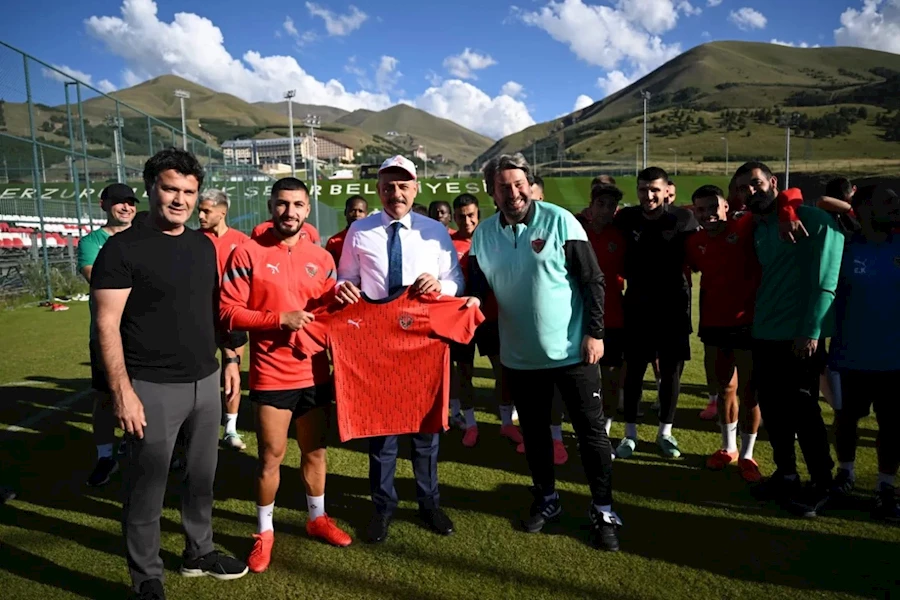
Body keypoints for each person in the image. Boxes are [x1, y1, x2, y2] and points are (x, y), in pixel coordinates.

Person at [92, 148, 247, 600]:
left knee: (201, 478)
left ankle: (199, 552)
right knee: (148, 486)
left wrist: (231, 359)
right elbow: (106, 325)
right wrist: (122, 392)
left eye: (189, 192)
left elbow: (210, 310)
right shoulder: (122, 249)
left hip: (205, 381)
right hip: (151, 386)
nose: (180, 200)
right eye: (170, 189)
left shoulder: (202, 245)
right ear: (150, 189)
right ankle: (146, 577)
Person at [468, 153, 621, 551]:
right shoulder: (483, 235)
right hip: (520, 358)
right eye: (503, 187)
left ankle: (603, 508)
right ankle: (548, 498)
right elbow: (476, 289)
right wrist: (468, 305)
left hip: (573, 353)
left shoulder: (560, 220)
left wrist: (595, 333)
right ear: (491, 192)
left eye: (519, 184)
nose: (513, 193)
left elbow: (593, 280)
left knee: (590, 435)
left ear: (530, 185)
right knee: (535, 435)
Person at [220, 177, 352, 573]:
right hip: (272, 374)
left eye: (297, 204)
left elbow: (329, 313)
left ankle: (317, 518)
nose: (289, 211)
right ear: (271, 206)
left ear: (307, 209)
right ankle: (264, 532)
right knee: (270, 458)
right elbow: (228, 311)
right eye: (282, 203)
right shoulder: (247, 252)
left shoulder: (322, 258)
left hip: (316, 372)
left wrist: (342, 298)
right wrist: (279, 319)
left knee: (316, 452)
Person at [334, 155, 464, 543]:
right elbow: (345, 277)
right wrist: (344, 287)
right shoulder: (360, 230)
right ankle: (382, 508)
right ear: (379, 190)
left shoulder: (434, 231)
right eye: (389, 186)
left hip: (422, 343)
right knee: (382, 435)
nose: (396, 193)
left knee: (426, 432)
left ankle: (429, 503)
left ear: (415, 188)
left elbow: (455, 280)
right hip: (377, 344)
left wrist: (440, 286)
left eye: (404, 186)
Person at [738, 161, 843, 518]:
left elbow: (827, 279)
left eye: (755, 184)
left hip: (800, 336)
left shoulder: (814, 220)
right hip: (765, 333)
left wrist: (811, 329)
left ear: (773, 182)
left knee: (804, 411)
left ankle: (823, 484)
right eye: (743, 188)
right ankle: (786, 475)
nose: (750, 192)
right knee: (773, 409)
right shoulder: (760, 225)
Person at [614, 167, 699, 459]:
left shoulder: (683, 219)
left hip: (674, 305)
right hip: (637, 304)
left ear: (666, 191)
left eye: (654, 190)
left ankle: (665, 432)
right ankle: (630, 434)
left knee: (671, 372)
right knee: (634, 370)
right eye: (643, 189)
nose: (648, 195)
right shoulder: (626, 218)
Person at [828, 184, 900, 522]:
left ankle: (885, 486)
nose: (896, 206)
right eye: (888, 202)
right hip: (848, 355)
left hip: (895, 358)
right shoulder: (843, 247)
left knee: (893, 425)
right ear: (866, 209)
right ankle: (845, 473)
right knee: (845, 419)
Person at [685, 185, 762, 482]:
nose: (708, 214)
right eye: (701, 209)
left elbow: (788, 197)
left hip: (748, 323)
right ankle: (728, 448)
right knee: (725, 388)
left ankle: (747, 455)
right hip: (713, 324)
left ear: (726, 206)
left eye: (713, 207)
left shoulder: (744, 227)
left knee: (750, 391)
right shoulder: (695, 242)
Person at [447, 193, 521, 448]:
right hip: (460, 319)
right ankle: (470, 424)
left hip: (491, 317)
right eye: (461, 216)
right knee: (464, 372)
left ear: (478, 214)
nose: (466, 221)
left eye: (471, 215)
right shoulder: (447, 244)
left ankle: (506, 423)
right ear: (454, 217)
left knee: (502, 370)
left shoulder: (492, 238)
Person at [77, 183, 137, 486]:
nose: (126, 207)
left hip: (143, 333)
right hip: (107, 335)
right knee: (104, 396)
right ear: (103, 205)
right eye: (118, 202)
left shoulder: (145, 238)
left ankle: (140, 448)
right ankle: (104, 456)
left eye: (130, 202)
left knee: (147, 394)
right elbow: (97, 277)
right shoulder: (91, 242)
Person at [198, 188, 249, 451]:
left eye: (206, 211)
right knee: (201, 376)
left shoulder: (242, 241)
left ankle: (230, 429)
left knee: (233, 373)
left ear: (222, 211)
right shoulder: (193, 241)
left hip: (233, 317)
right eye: (200, 210)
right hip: (201, 318)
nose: (200, 215)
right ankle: (196, 429)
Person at [575, 183, 627, 445]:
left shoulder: (621, 235)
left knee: (610, 377)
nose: (606, 210)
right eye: (601, 204)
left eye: (611, 206)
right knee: (582, 378)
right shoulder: (576, 232)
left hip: (613, 317)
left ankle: (603, 430)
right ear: (591, 204)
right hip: (578, 318)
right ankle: (584, 426)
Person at [325, 195, 368, 265]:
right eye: (352, 210)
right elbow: (329, 267)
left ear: (366, 214)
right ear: (345, 212)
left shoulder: (372, 239)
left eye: (360, 211)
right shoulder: (333, 242)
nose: (356, 214)